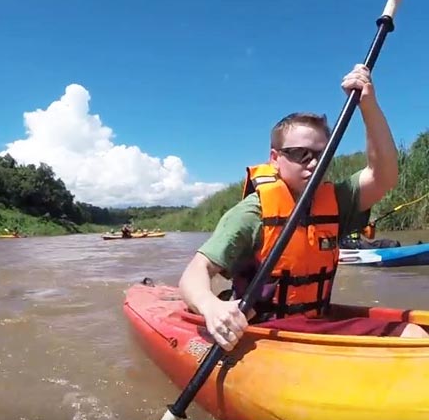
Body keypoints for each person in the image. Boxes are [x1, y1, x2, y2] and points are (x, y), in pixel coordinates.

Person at [178, 64, 429, 352]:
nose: (313, 163)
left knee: (415, 331)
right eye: (300, 154)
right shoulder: (251, 214)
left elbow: (384, 175)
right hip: (263, 330)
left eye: (322, 154)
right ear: (275, 158)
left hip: (315, 324)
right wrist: (211, 306)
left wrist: (368, 105)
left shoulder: (337, 200)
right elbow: (195, 271)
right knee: (411, 337)